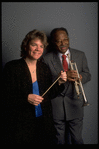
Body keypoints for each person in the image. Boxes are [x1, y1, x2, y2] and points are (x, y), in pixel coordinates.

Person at [2, 29, 67, 144]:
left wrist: (60, 82)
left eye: (41, 46)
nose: (38, 49)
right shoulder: (12, 67)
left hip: (43, 124)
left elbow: (49, 94)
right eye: (34, 45)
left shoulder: (44, 68)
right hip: (21, 126)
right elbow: (5, 97)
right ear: (26, 46)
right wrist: (25, 98)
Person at [41, 27, 91, 144]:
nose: (63, 43)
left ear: (68, 39)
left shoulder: (80, 55)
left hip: (75, 104)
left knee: (77, 139)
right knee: (59, 141)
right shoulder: (46, 59)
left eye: (65, 39)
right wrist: (60, 78)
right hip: (56, 106)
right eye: (58, 41)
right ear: (53, 42)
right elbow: (44, 82)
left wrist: (81, 77)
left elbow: (88, 75)